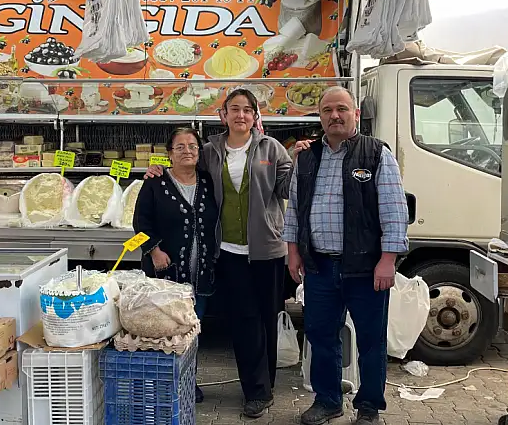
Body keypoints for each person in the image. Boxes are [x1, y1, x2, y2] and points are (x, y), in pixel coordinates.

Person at [146, 89, 293, 417]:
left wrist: (301, 161)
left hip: (268, 249)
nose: (241, 115)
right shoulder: (211, 151)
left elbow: (286, 189)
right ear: (223, 115)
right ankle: (254, 391)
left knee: (267, 319)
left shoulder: (271, 149)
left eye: (247, 110)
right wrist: (157, 169)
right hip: (229, 250)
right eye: (234, 110)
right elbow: (184, 167)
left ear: (255, 116)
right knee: (244, 321)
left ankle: (265, 385)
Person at [283, 86, 409, 425]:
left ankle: (368, 407)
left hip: (366, 268)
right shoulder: (307, 159)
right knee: (321, 336)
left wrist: (388, 260)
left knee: (370, 340)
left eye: (342, 108)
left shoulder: (376, 154)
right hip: (319, 266)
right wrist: (293, 251)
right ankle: (327, 401)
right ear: (320, 117)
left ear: (355, 113)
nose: (334, 115)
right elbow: (294, 209)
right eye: (327, 110)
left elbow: (395, 212)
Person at [132, 127, 220, 403]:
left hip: (201, 272)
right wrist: (154, 250)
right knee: (163, 330)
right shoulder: (155, 183)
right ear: (169, 154)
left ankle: (188, 382)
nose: (187, 151)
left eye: (192, 146)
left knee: (192, 329)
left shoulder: (208, 181)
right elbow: (140, 221)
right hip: (165, 273)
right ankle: (162, 385)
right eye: (179, 147)